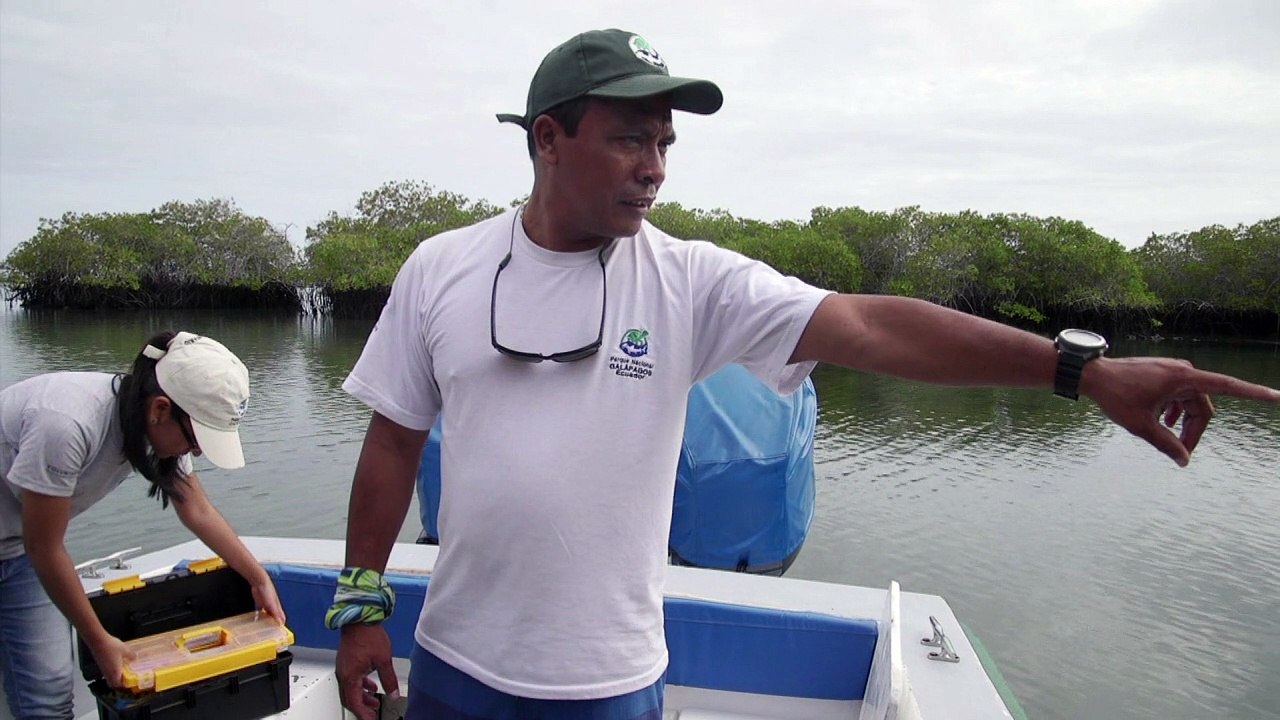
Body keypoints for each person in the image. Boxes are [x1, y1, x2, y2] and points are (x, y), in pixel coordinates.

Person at [332, 28, 1280, 720]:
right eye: (630, 137)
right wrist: (360, 608)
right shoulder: (441, 269)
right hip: (452, 663)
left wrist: (1078, 369)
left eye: (665, 142)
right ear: (547, 138)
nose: (655, 167)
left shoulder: (691, 280)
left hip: (609, 682)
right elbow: (391, 443)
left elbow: (873, 327)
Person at [0, 330, 286, 719]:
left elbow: (197, 509)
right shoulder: (66, 425)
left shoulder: (155, 430)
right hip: (29, 546)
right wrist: (100, 641)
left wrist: (257, 578)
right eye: (196, 439)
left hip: (14, 549)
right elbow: (44, 547)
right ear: (160, 410)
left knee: (48, 699)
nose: (196, 451)